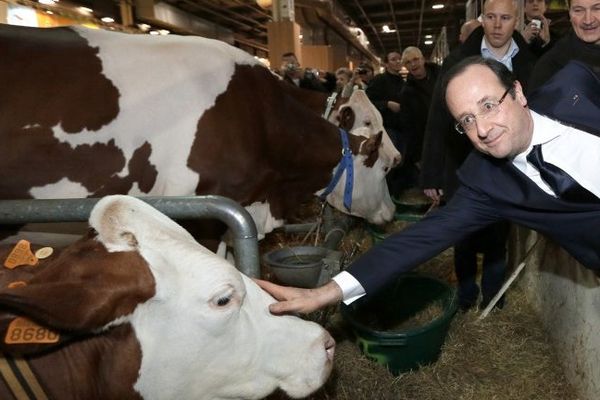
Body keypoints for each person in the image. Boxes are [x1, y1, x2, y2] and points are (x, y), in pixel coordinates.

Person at [257, 56, 600, 315]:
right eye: (466, 120)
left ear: (518, 93)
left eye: (488, 106)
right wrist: (327, 291)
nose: (482, 128)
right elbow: (418, 240)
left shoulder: (576, 86)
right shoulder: (488, 182)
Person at [420, 0, 536, 309]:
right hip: (463, 162)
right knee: (464, 234)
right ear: (481, 18)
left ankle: (493, 297)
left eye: (506, 18)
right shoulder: (458, 61)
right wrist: (431, 173)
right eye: (491, 17)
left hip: (510, 166)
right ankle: (467, 295)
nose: (498, 25)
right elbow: (437, 120)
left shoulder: (530, 62)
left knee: (499, 235)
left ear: (517, 20)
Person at [366, 51, 411, 195]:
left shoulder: (403, 81)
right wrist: (387, 104)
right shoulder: (379, 80)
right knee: (388, 163)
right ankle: (386, 194)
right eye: (393, 59)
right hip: (387, 128)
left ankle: (397, 194)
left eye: (399, 59)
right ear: (386, 63)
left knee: (400, 162)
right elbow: (368, 102)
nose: (398, 61)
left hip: (402, 127)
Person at [528, 0, 600, 92]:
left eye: (597, 9)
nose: (588, 20)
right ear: (569, 13)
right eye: (578, 10)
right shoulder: (551, 66)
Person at [399, 46, 441, 184]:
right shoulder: (406, 93)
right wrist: (417, 158)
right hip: (429, 144)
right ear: (405, 66)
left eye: (416, 59)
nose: (413, 64)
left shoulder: (442, 76)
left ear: (423, 59)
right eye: (408, 62)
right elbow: (409, 128)